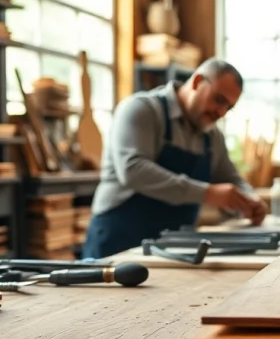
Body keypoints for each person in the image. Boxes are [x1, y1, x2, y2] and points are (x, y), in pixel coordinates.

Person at [82, 58, 267, 259]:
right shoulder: (141, 110)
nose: (220, 112)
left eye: (228, 108)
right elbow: (133, 170)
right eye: (219, 100)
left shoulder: (213, 137)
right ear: (197, 82)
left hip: (173, 250)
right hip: (118, 241)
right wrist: (207, 193)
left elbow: (230, 177)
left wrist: (250, 198)